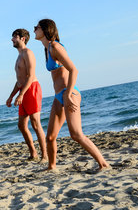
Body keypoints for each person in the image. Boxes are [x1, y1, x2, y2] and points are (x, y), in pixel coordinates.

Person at [34, 19, 110, 171]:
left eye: (37, 27)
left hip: (69, 93)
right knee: (50, 137)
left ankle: (104, 164)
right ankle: (52, 167)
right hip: (58, 96)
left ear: (45, 30)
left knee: (76, 134)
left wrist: (68, 94)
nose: (34, 29)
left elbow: (74, 70)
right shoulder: (48, 48)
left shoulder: (55, 46)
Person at [6, 28, 48, 162]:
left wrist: (21, 95)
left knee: (36, 124)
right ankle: (33, 153)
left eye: (14, 37)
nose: (12, 40)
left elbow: (30, 76)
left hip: (32, 89)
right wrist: (12, 95)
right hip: (22, 91)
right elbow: (19, 80)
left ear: (22, 38)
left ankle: (45, 156)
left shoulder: (28, 53)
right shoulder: (19, 56)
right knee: (21, 125)